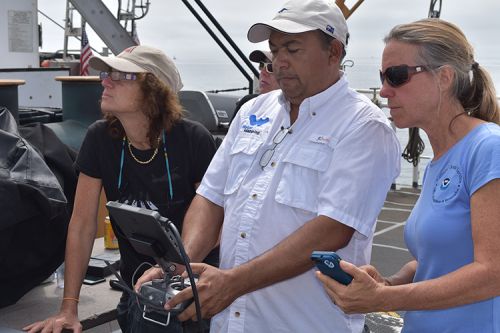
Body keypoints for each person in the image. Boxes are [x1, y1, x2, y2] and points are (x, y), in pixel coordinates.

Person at [137, 1, 400, 332]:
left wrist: (234, 282)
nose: (279, 61)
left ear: (333, 52)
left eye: (292, 49)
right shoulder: (252, 113)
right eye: (275, 50)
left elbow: (334, 227)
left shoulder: (364, 126)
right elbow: (211, 196)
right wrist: (181, 265)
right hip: (232, 323)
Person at [317, 19, 500, 333]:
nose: (385, 90)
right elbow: (438, 259)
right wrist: (390, 281)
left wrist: (383, 297)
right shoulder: (439, 161)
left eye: (396, 76)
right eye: (382, 77)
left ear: (444, 78)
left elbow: (493, 272)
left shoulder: (488, 149)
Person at [24, 45, 218, 333]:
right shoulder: (100, 138)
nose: (105, 81)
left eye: (121, 75)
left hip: (192, 295)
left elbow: (214, 221)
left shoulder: (193, 140)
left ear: (155, 89)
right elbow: (82, 224)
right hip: (135, 292)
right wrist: (68, 308)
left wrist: (178, 273)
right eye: (107, 73)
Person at [232, 49, 280, 120]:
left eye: (271, 67)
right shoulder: (247, 104)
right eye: (261, 65)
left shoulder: (295, 112)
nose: (263, 72)